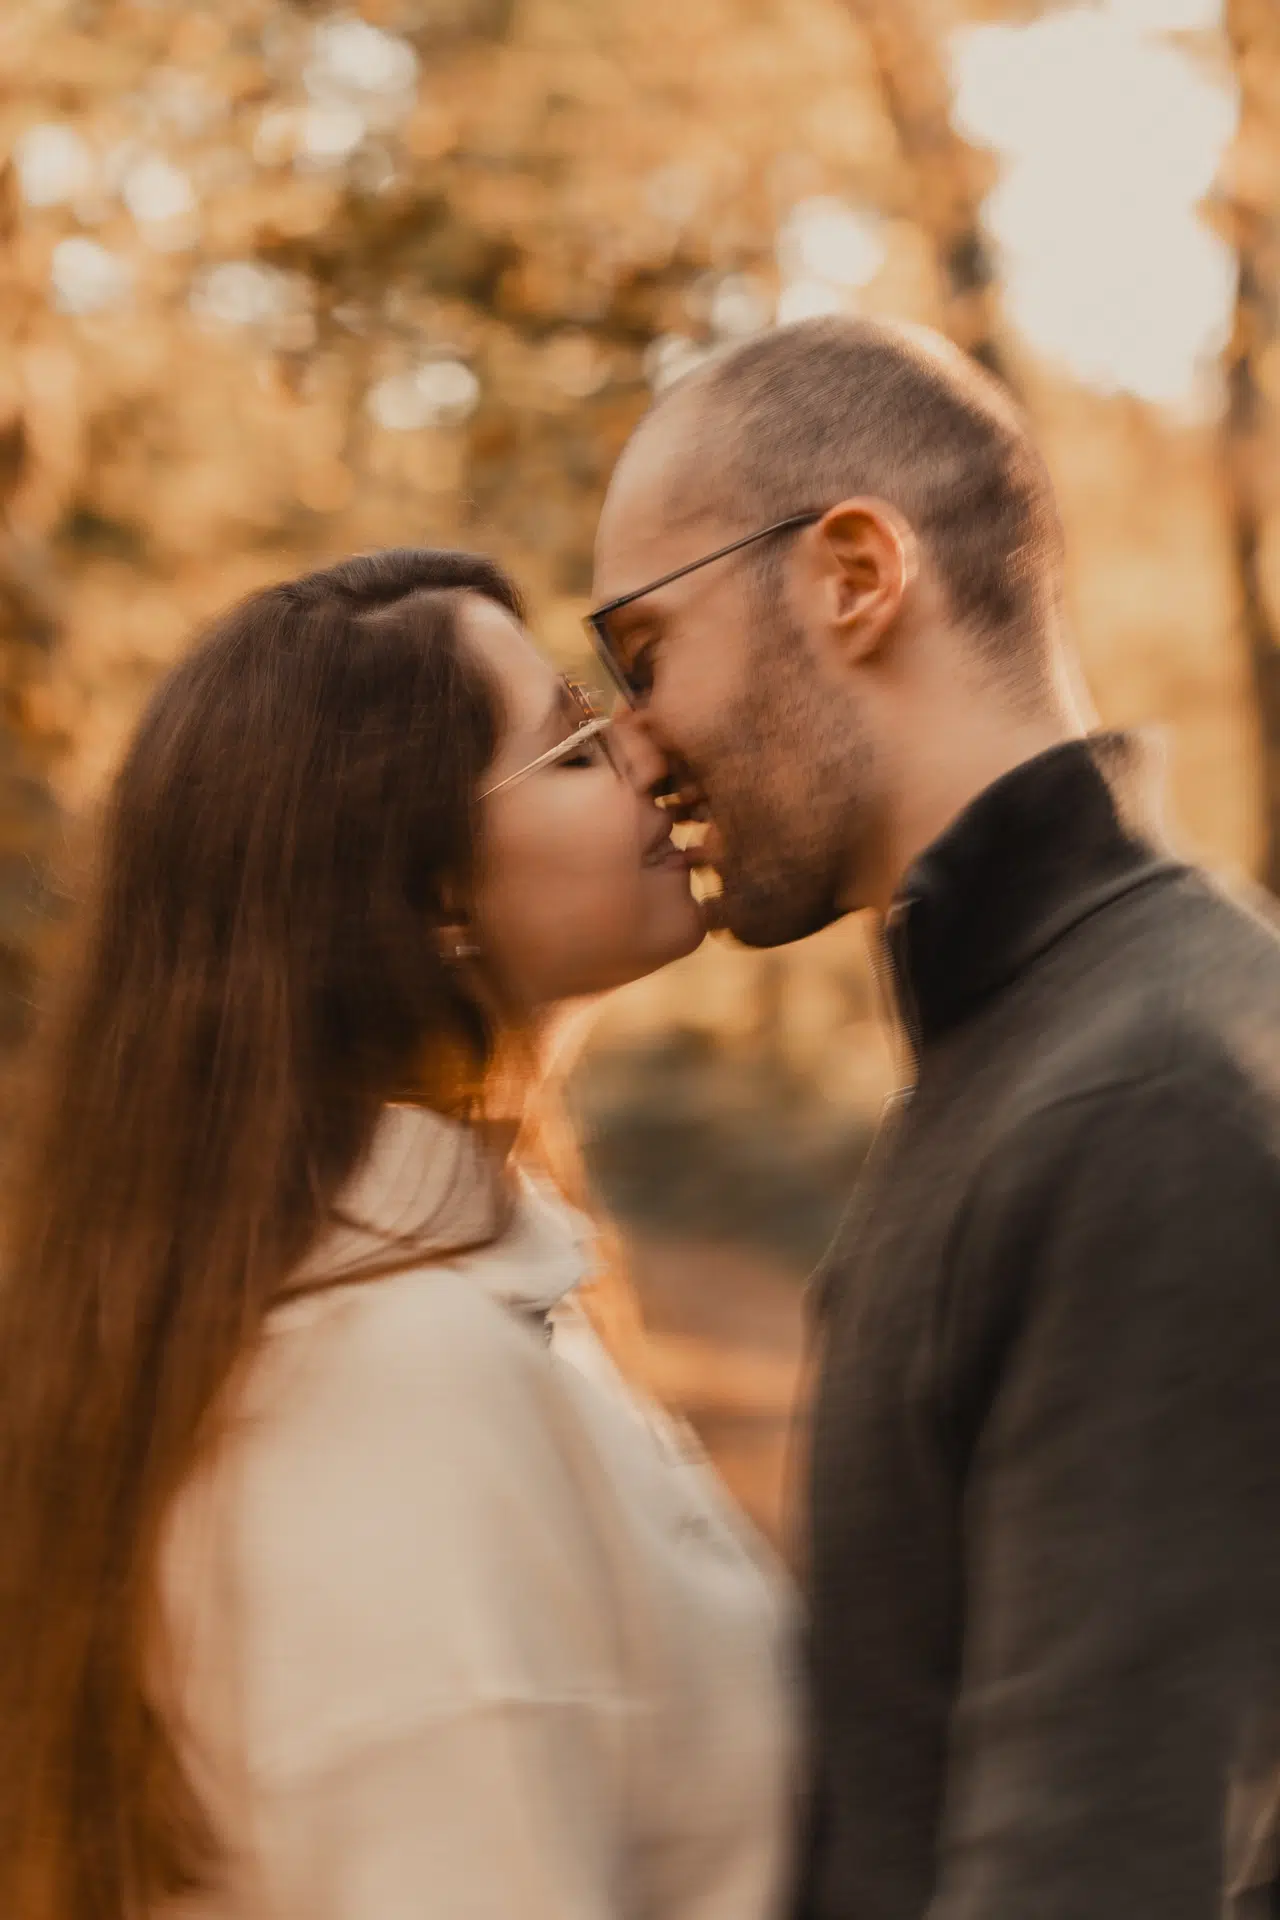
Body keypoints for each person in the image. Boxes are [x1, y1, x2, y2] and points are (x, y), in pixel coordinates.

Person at [589, 315, 1280, 1920]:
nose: (635, 744)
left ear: (850, 576)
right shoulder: (1026, 1045)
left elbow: (1099, 1871)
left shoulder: (1147, 1092)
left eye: (645, 652)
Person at [0, 549, 798, 1920]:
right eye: (571, 749)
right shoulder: (388, 1387)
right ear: (424, 896)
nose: (650, 745)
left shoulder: (466, 1301)